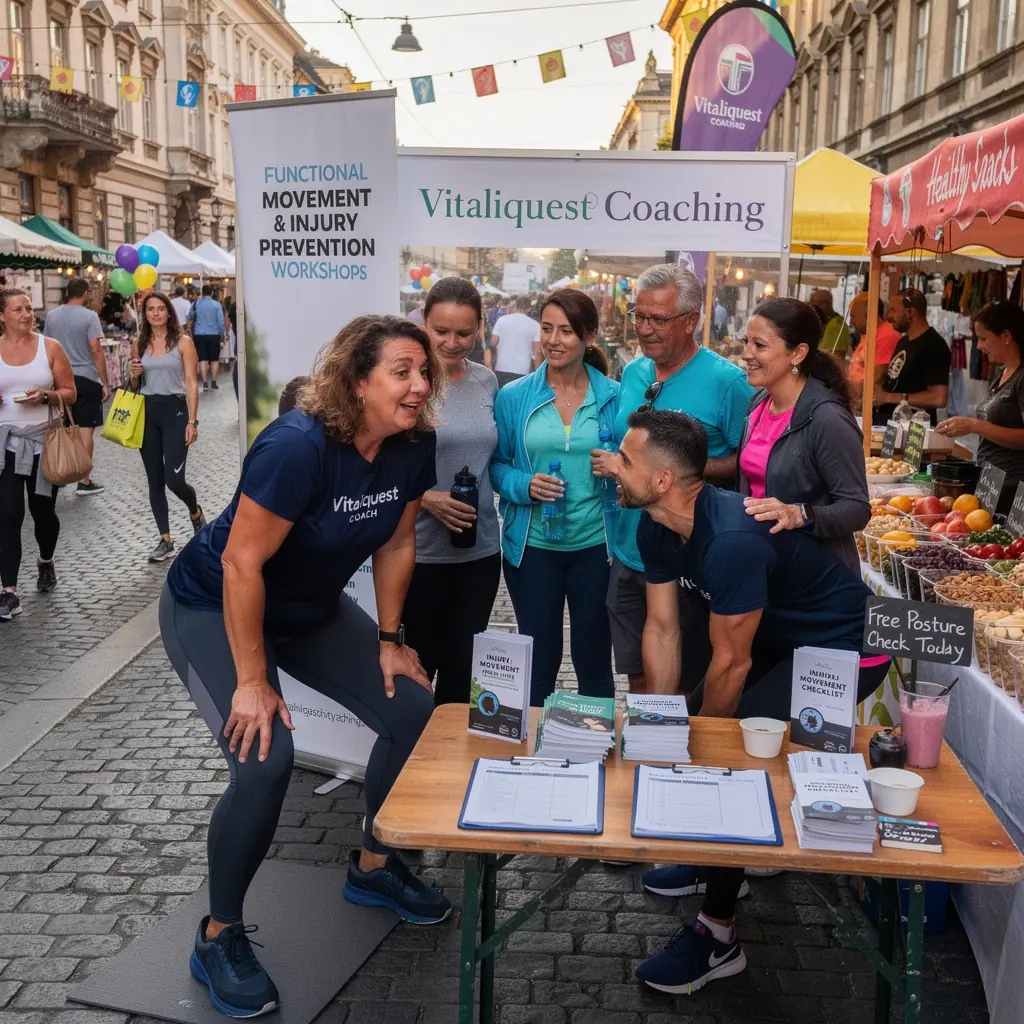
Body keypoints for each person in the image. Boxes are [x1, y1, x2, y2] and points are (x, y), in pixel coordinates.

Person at [160, 315, 450, 1018]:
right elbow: (240, 562)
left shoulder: (415, 444)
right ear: (357, 381)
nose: (419, 387)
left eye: (423, 372)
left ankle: (375, 865)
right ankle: (217, 933)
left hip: (311, 610)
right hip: (213, 605)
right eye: (402, 373)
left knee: (412, 707)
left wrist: (388, 637)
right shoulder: (297, 446)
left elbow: (397, 543)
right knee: (264, 759)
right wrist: (254, 683)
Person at [612, 408, 890, 995]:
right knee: (694, 731)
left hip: (845, 650)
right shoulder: (654, 522)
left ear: (662, 481)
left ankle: (718, 936)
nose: (615, 465)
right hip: (782, 640)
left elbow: (731, 664)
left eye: (626, 459)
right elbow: (662, 631)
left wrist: (703, 748)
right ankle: (715, 856)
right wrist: (659, 727)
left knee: (733, 754)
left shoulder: (733, 539)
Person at [590, 263, 753, 695]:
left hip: (689, 558)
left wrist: (673, 471)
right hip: (629, 549)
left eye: (657, 319)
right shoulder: (633, 372)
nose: (644, 329)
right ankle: (647, 749)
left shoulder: (729, 383)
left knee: (686, 680)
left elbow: (747, 462)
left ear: (690, 321)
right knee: (639, 676)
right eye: (638, 316)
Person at [492, 289, 617, 706]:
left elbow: (635, 464)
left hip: (596, 545)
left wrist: (618, 465)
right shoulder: (514, 396)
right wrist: (523, 485)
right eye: (547, 328)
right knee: (538, 660)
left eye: (567, 331)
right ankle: (529, 759)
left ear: (589, 337)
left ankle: (596, 749)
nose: (554, 340)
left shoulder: (613, 398)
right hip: (533, 546)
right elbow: (497, 466)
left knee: (593, 656)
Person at [403, 278, 501, 705]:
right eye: (441, 330)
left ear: (480, 328)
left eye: (464, 332)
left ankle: (450, 767)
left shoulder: (487, 381)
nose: (452, 342)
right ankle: (412, 764)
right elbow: (375, 465)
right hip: (417, 551)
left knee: (463, 673)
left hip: (478, 553)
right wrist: (426, 498)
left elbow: (493, 458)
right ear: (423, 321)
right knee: (419, 671)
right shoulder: (407, 383)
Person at [738, 298, 870, 571]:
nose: (746, 354)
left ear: (797, 354)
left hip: (815, 577)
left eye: (759, 345)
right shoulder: (758, 404)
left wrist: (798, 514)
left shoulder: (827, 419)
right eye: (746, 342)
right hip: (764, 564)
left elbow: (857, 508)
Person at [0, 288, 76, 617]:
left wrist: (46, 396)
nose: (26, 314)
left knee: (42, 512)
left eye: (29, 308)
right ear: (2, 316)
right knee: (8, 515)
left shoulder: (51, 347)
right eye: (18, 309)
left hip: (44, 443)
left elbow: (70, 393)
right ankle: (9, 591)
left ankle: (46, 560)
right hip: (6, 446)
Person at [128, 293, 205, 564]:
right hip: (147, 413)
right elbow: (135, 386)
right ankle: (166, 540)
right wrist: (134, 375)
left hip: (175, 412)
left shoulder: (183, 342)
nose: (156, 313)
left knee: (175, 481)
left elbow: (192, 383)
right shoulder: (139, 343)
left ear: (169, 313)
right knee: (155, 479)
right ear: (145, 313)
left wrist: (192, 421)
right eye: (151, 309)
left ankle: (195, 512)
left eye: (161, 309)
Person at [936, 302, 1024, 513]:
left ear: (1005, 336)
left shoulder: (1022, 378)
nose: (978, 346)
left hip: (1011, 490)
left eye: (984, 339)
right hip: (991, 484)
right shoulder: (1002, 373)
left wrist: (975, 425)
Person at [44, 278, 108, 495]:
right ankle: (84, 480)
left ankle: (59, 473)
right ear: (85, 293)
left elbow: (46, 347)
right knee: (85, 429)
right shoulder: (90, 316)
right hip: (86, 377)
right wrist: (105, 382)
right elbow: (96, 350)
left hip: (59, 379)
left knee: (61, 427)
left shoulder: (51, 316)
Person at [874, 288, 950, 425]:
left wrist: (888, 397)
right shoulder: (904, 341)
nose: (889, 316)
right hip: (890, 426)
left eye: (893, 310)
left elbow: (939, 398)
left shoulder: (934, 345)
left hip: (913, 431)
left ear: (911, 313)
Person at [847, 292, 901, 403]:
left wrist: (855, 399)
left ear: (869, 315)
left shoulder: (887, 335)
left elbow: (879, 375)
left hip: (868, 405)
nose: (851, 322)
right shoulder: (868, 335)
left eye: (853, 316)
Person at [491, 295, 541, 387]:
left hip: (502, 367)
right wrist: (538, 374)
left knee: (501, 398)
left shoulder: (502, 320)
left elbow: (493, 343)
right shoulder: (535, 325)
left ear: (516, 306)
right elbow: (537, 351)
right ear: (529, 309)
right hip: (522, 370)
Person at [189, 284, 225, 391]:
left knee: (202, 359)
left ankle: (204, 383)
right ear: (212, 293)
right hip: (214, 334)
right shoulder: (216, 305)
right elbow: (221, 322)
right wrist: (222, 335)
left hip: (199, 334)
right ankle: (213, 382)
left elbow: (190, 316)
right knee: (214, 359)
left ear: (202, 292)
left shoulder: (195, 304)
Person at [808, 288, 850, 363]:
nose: (812, 308)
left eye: (814, 304)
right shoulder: (828, 323)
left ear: (825, 304)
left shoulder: (836, 325)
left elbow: (837, 357)